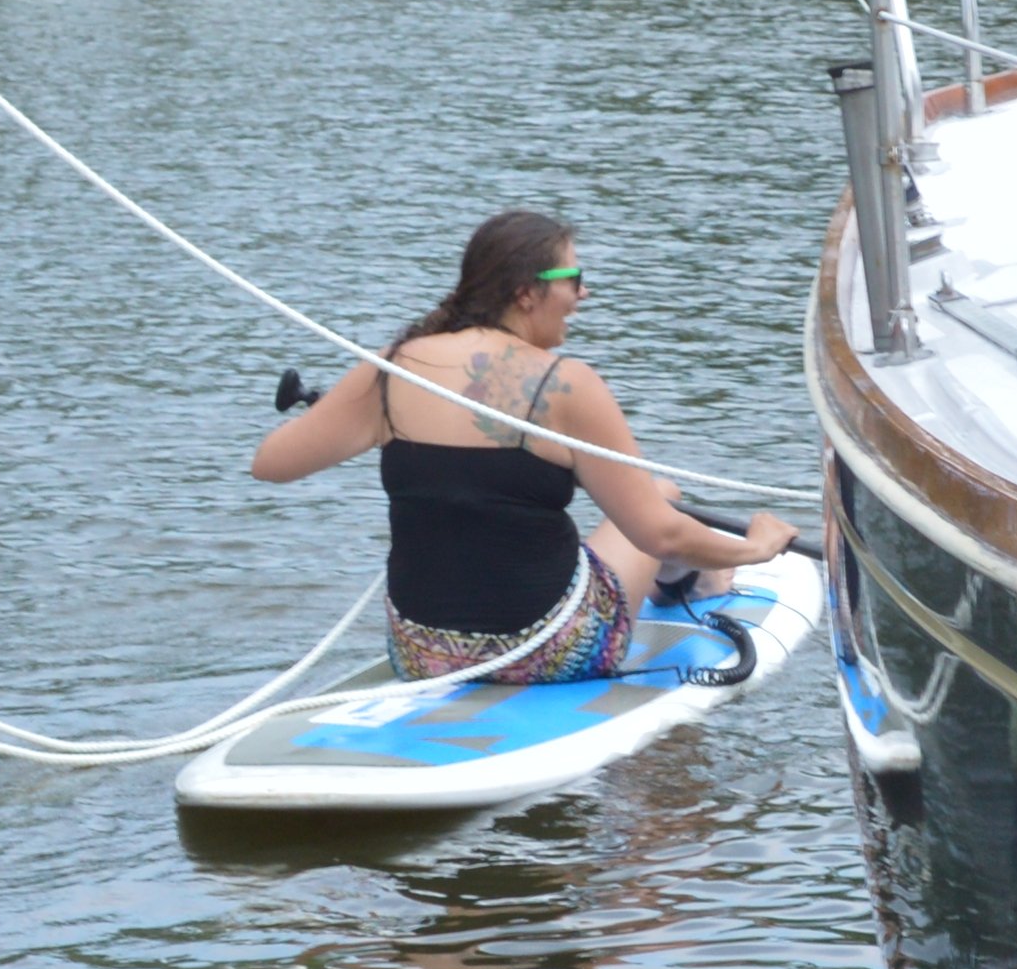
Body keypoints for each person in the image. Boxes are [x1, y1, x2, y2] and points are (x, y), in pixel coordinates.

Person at [252, 209, 792, 685]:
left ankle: (693, 578)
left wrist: (395, 433)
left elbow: (271, 465)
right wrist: (758, 546)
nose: (583, 293)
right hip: (552, 652)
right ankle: (705, 579)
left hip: (420, 654)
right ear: (526, 292)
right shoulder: (568, 383)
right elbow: (660, 532)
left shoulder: (396, 366)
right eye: (573, 278)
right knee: (660, 495)